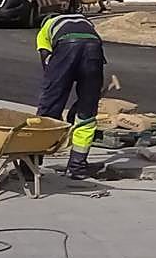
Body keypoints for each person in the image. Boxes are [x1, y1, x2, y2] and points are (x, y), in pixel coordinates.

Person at [35, 13, 106, 180]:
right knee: (87, 113)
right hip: (93, 47)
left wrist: (54, 103)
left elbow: (47, 64)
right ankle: (77, 167)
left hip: (67, 46)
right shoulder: (85, 22)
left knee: (48, 110)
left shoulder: (46, 28)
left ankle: (31, 163)